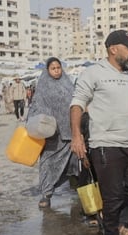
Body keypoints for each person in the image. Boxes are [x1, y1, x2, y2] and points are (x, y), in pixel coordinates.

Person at [70, 30, 128, 235]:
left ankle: (109, 212)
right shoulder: (93, 73)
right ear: (113, 48)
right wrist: (76, 136)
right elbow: (77, 104)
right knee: (113, 193)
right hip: (104, 143)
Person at [27, 57, 77, 209]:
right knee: (48, 165)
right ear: (47, 70)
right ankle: (46, 194)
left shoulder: (68, 84)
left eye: (58, 67)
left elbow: (76, 104)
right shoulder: (43, 88)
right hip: (52, 136)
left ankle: (77, 193)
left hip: (71, 133)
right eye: (53, 68)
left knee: (75, 166)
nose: (56, 71)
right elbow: (35, 109)